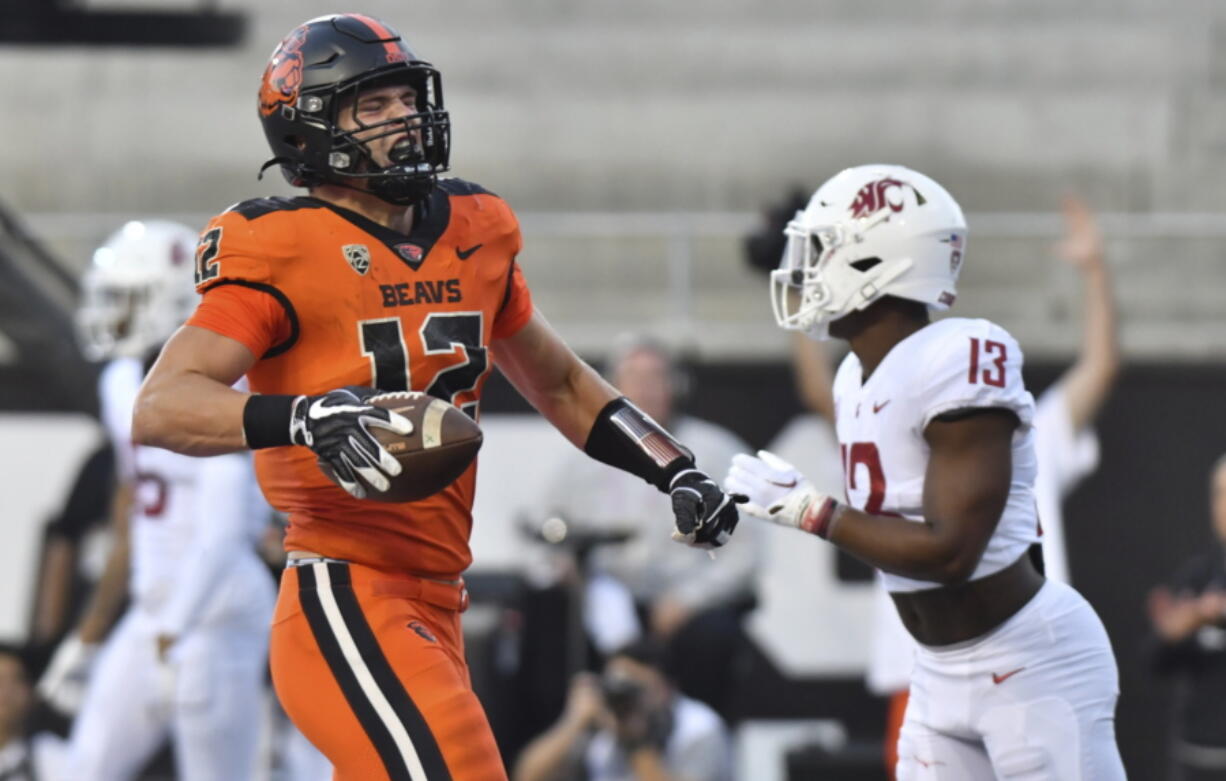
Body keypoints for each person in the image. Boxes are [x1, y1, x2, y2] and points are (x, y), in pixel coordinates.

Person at [131, 13, 741, 781]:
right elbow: (161, 406)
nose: (405, 122)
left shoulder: (472, 228)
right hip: (344, 587)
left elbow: (557, 380)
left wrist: (673, 467)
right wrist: (304, 416)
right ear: (309, 132)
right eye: (373, 108)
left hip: (436, 597)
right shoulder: (281, 246)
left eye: (405, 100)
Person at [724, 165, 1125, 778]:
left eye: (827, 252)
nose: (809, 270)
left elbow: (951, 553)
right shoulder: (855, 376)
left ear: (878, 267)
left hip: (1025, 663)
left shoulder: (958, 357)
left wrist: (810, 509)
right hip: (936, 670)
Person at [38, 219, 277, 780]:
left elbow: (221, 532)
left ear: (169, 299)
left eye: (127, 299)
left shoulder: (222, 385)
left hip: (215, 614)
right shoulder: (120, 382)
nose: (112, 313)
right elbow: (132, 511)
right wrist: (90, 632)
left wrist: (177, 627)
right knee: (84, 768)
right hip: (154, 611)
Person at [542, 333, 759, 712]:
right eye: (633, 377)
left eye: (655, 377)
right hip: (607, 596)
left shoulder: (716, 450)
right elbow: (548, 532)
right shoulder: (581, 457)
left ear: (676, 386)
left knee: (712, 639)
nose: (644, 388)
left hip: (685, 601)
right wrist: (568, 570)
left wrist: (688, 600)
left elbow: (747, 549)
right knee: (548, 625)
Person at [512, 640, 732, 781]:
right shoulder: (606, 715)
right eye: (617, 685)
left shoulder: (699, 729)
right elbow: (528, 776)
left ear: (666, 689)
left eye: (634, 688)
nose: (624, 696)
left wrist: (635, 741)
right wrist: (574, 720)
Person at [1146, 455, 1226, 780]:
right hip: (1198, 757)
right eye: (1220, 494)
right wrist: (1176, 630)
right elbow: (1154, 659)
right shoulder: (1195, 579)